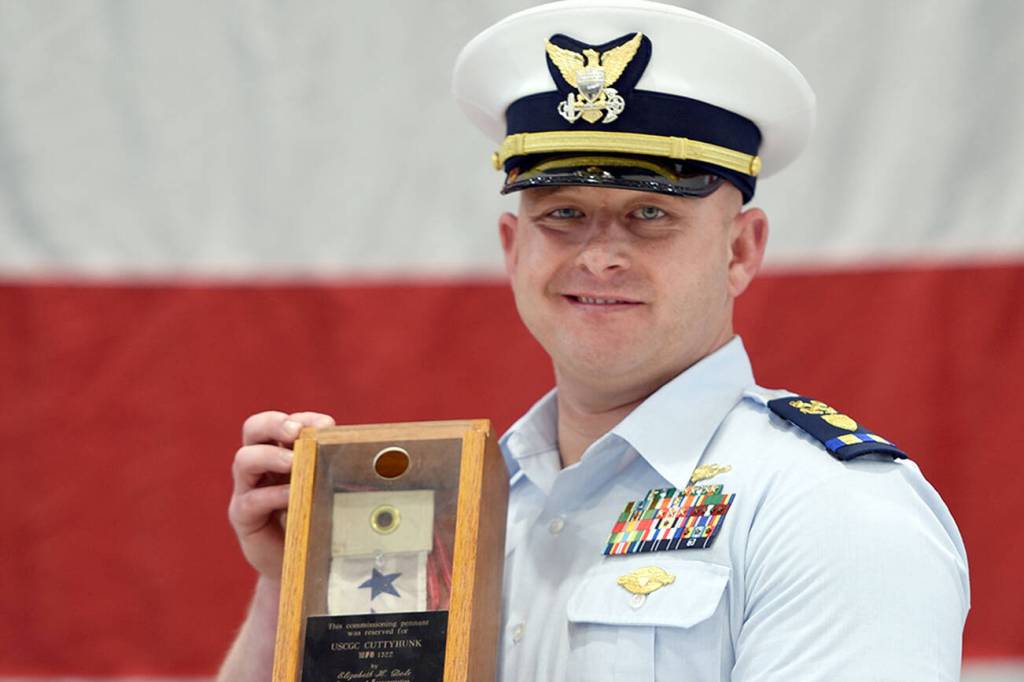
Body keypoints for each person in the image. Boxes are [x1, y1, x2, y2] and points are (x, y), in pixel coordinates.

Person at [218, 1, 969, 680]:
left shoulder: (828, 509)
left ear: (740, 251)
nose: (600, 255)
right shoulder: (451, 516)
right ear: (513, 248)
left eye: (650, 214)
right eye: (563, 213)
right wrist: (293, 589)